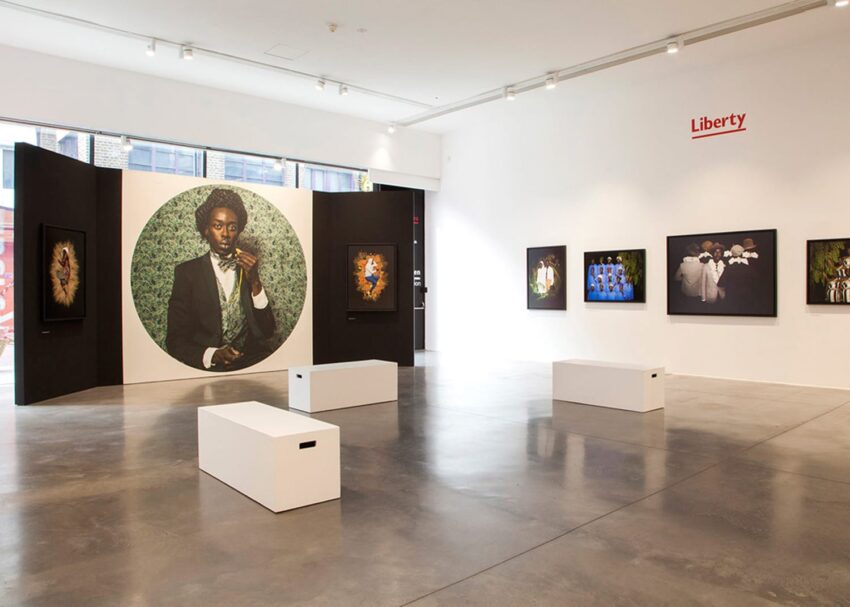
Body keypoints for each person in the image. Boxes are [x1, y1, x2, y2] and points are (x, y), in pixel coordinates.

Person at [166, 188, 275, 371]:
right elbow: (175, 341)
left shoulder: (248, 269)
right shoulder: (187, 273)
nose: (225, 234)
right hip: (209, 368)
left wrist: (255, 281)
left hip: (250, 363)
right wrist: (213, 355)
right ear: (206, 230)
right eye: (218, 226)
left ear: (238, 232)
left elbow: (268, 331)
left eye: (232, 227)